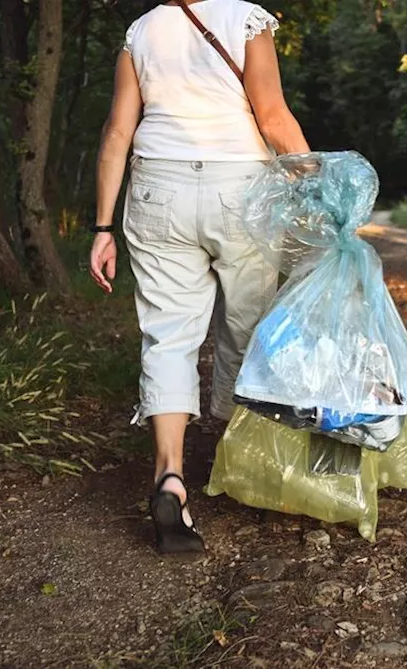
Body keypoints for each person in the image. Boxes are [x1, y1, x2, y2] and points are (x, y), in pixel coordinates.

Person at [88, 0, 310, 554]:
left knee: (168, 335)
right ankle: (244, 465)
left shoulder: (141, 31)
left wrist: (101, 226)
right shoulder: (246, 18)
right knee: (249, 326)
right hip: (241, 190)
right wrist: (316, 183)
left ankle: (169, 477)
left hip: (157, 189)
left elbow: (118, 131)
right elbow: (273, 117)